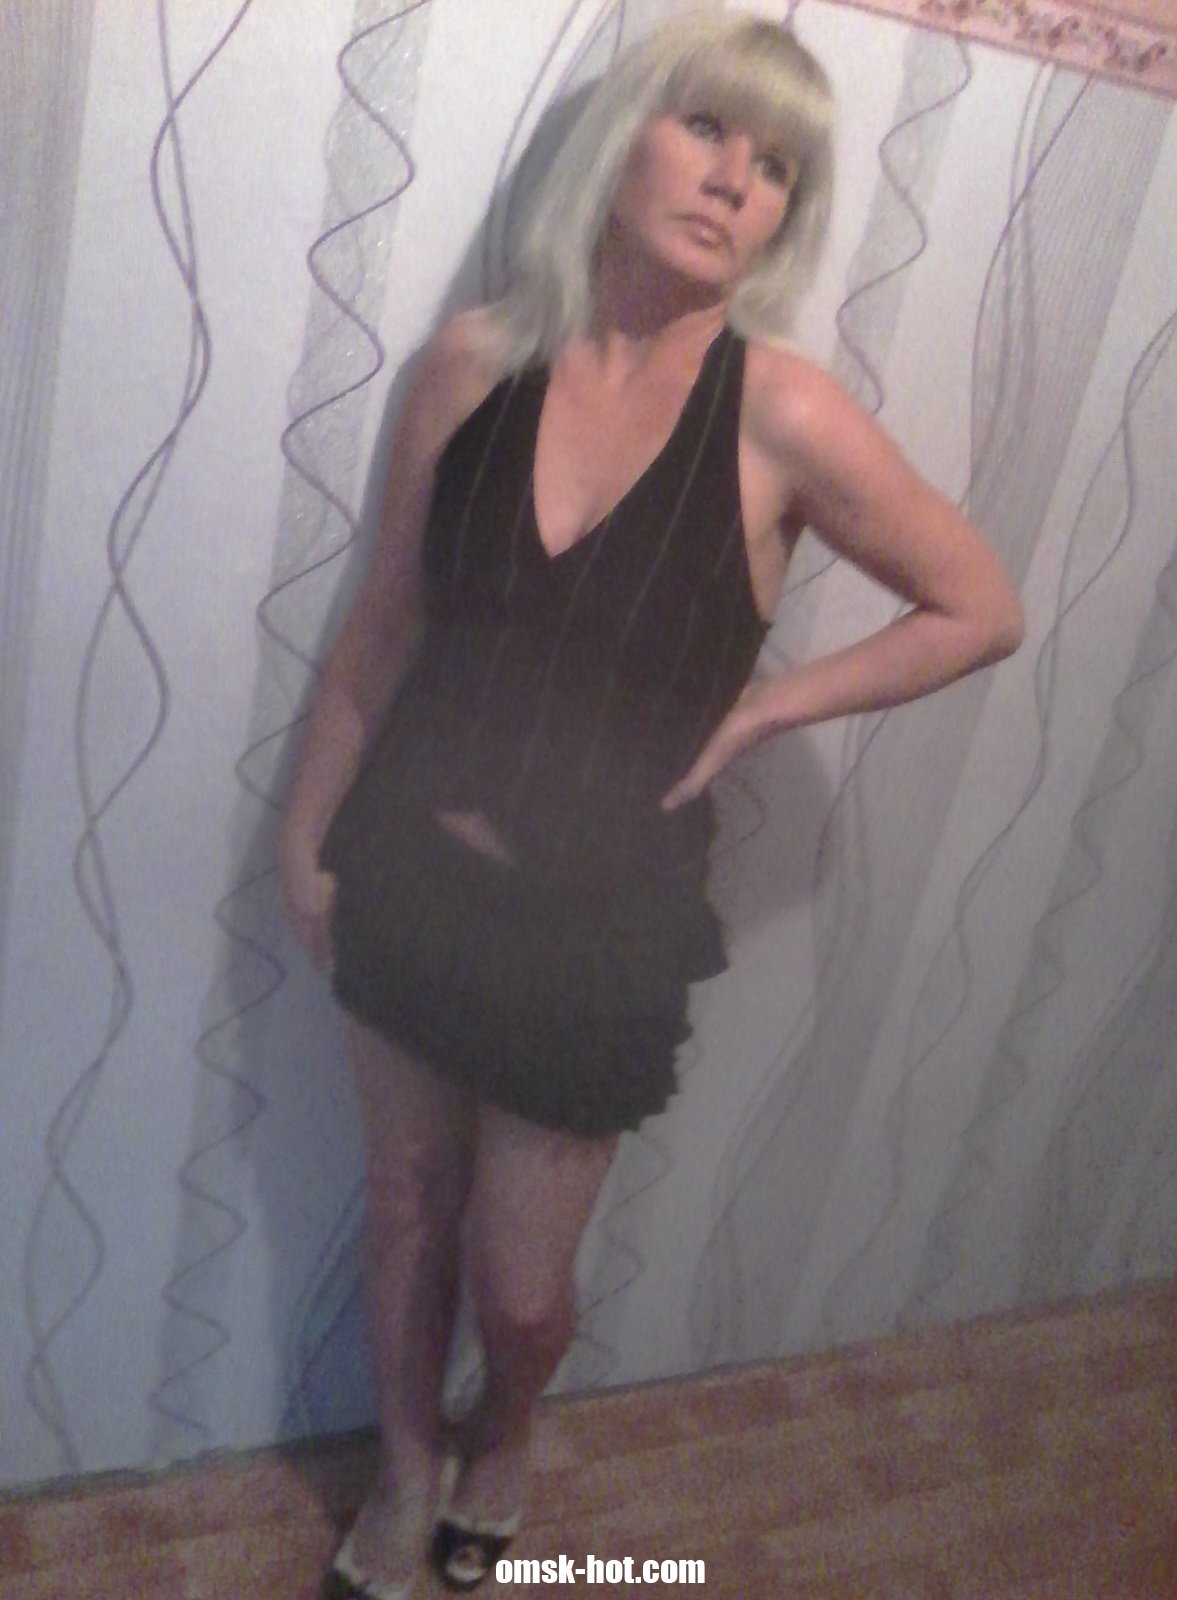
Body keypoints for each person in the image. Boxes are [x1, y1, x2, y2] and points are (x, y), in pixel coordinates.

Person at [280, 14, 1024, 1597]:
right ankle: (408, 1473)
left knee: (517, 1282)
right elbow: (384, 629)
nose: (737, 179)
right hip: (406, 867)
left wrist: (766, 706)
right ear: (620, 139)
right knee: (403, 1205)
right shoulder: (473, 364)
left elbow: (980, 605)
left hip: (597, 926)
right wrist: (304, 835)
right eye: (707, 129)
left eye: (779, 165)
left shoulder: (782, 415)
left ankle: (506, 1428)